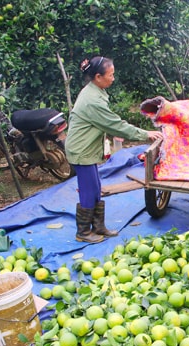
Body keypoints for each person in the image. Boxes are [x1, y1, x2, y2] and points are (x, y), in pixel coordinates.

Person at [64, 56, 162, 243]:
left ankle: (98, 226)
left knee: (96, 188)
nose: (113, 78)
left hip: (87, 148)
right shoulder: (92, 100)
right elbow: (115, 125)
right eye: (111, 75)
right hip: (80, 150)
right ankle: (83, 232)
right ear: (98, 77)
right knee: (88, 190)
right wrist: (145, 134)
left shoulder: (96, 91)